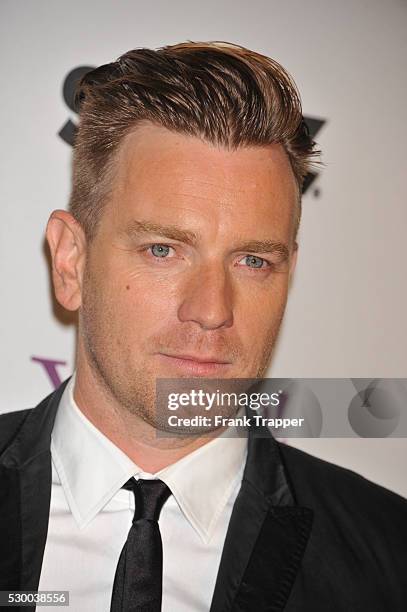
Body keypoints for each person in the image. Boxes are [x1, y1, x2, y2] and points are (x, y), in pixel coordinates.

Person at [0, 41, 406, 612]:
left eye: (253, 261)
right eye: (163, 250)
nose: (213, 309)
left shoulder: (387, 560)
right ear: (71, 262)